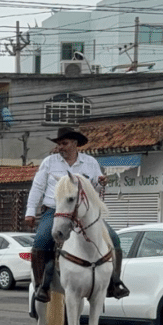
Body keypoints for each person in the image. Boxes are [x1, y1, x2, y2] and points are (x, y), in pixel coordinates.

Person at [25, 126, 130, 303]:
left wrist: (101, 182)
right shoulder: (49, 162)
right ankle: (41, 286)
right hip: (56, 210)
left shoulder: (90, 163)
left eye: (64, 143)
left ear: (75, 144)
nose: (61, 147)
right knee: (41, 241)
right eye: (59, 144)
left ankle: (115, 282)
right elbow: (37, 188)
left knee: (114, 239)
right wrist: (30, 211)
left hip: (85, 212)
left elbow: (94, 189)